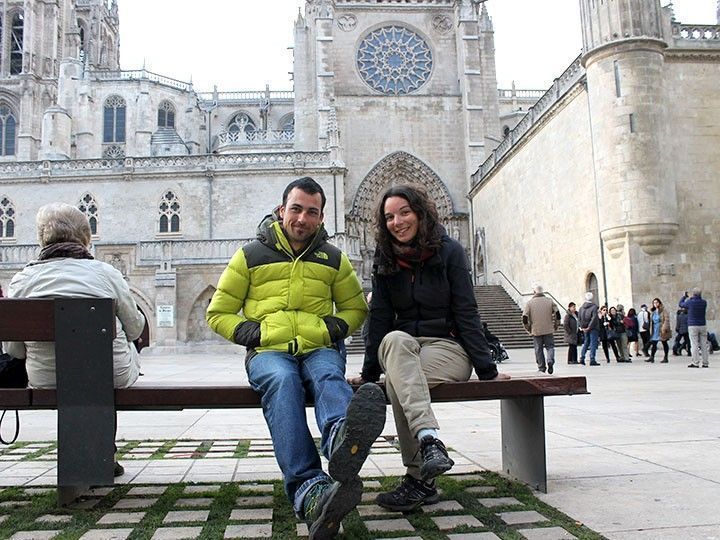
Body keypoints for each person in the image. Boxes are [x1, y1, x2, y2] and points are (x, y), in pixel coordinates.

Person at [206, 177, 385, 538]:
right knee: (282, 382)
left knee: (327, 374)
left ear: (321, 218)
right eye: (296, 209)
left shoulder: (334, 258)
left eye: (312, 212)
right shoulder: (250, 255)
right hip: (269, 352)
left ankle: (340, 439)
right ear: (281, 210)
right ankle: (309, 490)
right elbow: (218, 312)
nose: (302, 218)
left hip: (318, 345)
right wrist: (255, 334)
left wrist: (330, 330)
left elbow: (354, 308)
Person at [350, 184, 509, 512]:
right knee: (394, 341)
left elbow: (467, 311)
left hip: (447, 348)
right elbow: (379, 318)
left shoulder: (450, 252)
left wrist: (487, 370)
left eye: (404, 212)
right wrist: (368, 374)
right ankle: (429, 442)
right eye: (389, 216)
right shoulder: (385, 257)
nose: (397, 222)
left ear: (421, 213)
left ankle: (420, 478)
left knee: (398, 381)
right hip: (401, 346)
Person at [4, 203, 145, 477]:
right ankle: (105, 453)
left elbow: (14, 350)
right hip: (110, 374)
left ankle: (87, 456)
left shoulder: (22, 280)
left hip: (48, 377)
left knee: (75, 375)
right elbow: (136, 328)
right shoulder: (107, 274)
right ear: (86, 237)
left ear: (42, 238)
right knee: (106, 364)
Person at [522, 283, 559, 374]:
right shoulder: (550, 301)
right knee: (550, 347)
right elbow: (557, 314)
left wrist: (528, 328)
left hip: (536, 330)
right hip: (548, 329)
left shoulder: (529, 303)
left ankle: (541, 367)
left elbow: (524, 318)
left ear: (534, 292)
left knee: (538, 349)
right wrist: (556, 325)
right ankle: (550, 360)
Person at [680, 288, 709, 368]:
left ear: (693, 294)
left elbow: (681, 304)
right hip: (703, 325)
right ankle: (705, 362)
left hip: (693, 325)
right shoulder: (704, 302)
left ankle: (695, 362)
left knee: (694, 344)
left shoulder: (690, 302)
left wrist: (684, 297)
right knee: (704, 344)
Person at [578, 292, 600, 366]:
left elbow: (579, 318)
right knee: (593, 343)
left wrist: (582, 327)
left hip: (584, 327)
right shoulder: (594, 307)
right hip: (593, 328)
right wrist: (589, 327)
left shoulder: (581, 308)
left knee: (586, 342)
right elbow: (594, 318)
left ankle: (582, 358)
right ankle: (592, 359)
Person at [646, 297, 671, 363]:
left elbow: (666, 319)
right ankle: (652, 357)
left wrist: (664, 327)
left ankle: (666, 357)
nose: (655, 304)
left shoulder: (663, 310)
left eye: (656, 302)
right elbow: (651, 321)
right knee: (654, 343)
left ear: (659, 303)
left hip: (661, 328)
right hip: (655, 329)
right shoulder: (653, 312)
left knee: (664, 342)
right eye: (654, 302)